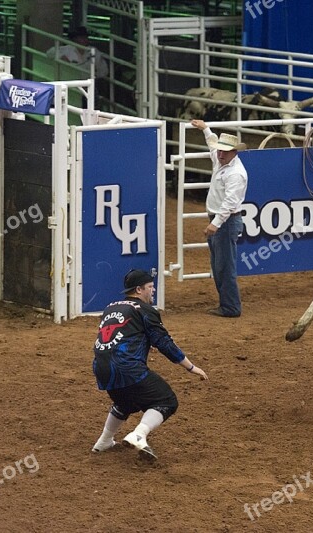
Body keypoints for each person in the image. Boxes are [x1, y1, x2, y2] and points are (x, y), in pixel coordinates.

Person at [92, 269, 208, 462]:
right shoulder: (145, 310)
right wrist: (190, 367)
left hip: (101, 368)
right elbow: (164, 342)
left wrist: (143, 344)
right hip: (127, 367)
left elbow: (120, 335)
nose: (153, 291)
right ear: (139, 289)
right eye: (150, 287)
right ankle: (138, 434)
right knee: (167, 400)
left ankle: (104, 440)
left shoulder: (110, 308)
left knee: (125, 401)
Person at [190, 119, 248, 318]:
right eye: (220, 150)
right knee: (220, 265)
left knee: (223, 266)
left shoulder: (236, 174)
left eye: (223, 151)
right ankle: (228, 305)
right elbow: (212, 144)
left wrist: (215, 224)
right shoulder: (225, 163)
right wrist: (205, 129)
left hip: (225, 221)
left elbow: (230, 203)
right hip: (223, 220)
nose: (219, 153)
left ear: (234, 152)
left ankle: (230, 307)